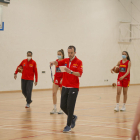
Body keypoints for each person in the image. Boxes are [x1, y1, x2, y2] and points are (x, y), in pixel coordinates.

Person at [50, 45, 83, 133]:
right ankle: (73, 117)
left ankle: (68, 126)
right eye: (68, 53)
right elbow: (58, 63)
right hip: (65, 86)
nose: (70, 54)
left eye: (71, 53)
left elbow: (79, 74)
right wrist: (53, 62)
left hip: (74, 87)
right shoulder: (65, 60)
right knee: (62, 106)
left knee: (70, 107)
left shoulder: (79, 62)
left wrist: (71, 72)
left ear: (75, 52)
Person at [50, 49, 65, 114]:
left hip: (62, 79)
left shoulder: (64, 62)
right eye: (58, 54)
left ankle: (62, 108)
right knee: (54, 93)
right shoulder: (56, 61)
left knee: (62, 94)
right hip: (56, 78)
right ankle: (54, 108)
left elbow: (65, 71)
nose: (58, 55)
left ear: (62, 55)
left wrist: (63, 79)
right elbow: (54, 63)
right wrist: (52, 63)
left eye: (60, 54)